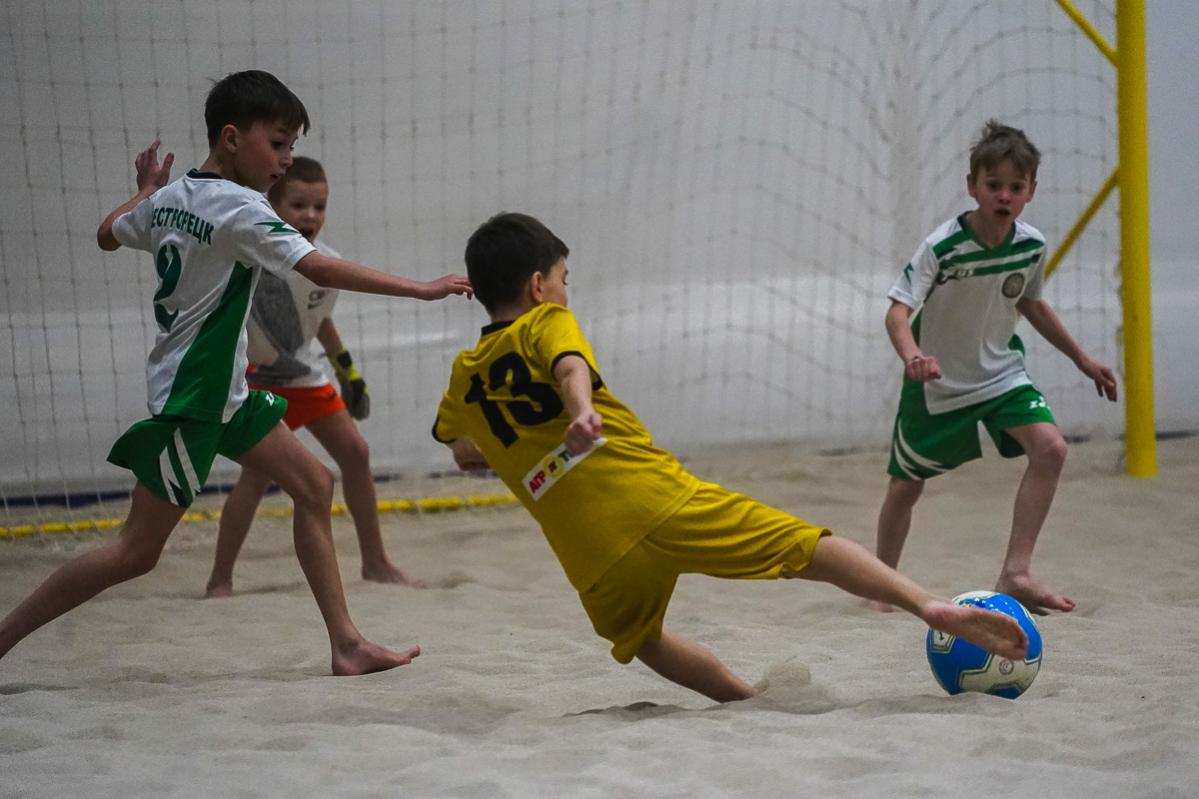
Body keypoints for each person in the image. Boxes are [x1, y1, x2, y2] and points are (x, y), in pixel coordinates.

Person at [431, 212, 1028, 703]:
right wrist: (581, 411)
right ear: (539, 286)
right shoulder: (548, 321)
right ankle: (926, 604)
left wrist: (516, 449)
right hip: (655, 499)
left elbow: (463, 453)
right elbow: (569, 368)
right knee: (805, 546)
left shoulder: (463, 377)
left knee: (646, 641)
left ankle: (742, 699)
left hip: (589, 551)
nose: (566, 291)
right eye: (565, 279)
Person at [0, 70, 471, 675]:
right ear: (231, 138)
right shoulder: (242, 208)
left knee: (314, 484)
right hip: (193, 399)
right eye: (277, 143)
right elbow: (319, 269)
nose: (286, 159)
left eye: (291, 146)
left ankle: (347, 645)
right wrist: (422, 288)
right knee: (135, 552)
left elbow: (105, 235)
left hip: (227, 392)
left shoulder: (170, 199)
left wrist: (146, 190)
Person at [872, 119, 1117, 615]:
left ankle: (1016, 573)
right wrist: (913, 356)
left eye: (1016, 187)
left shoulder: (1031, 245)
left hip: (1001, 373)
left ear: (1031, 192)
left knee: (1051, 449)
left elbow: (1030, 303)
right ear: (972, 186)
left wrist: (1082, 358)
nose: (1004, 196)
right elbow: (897, 313)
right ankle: (881, 587)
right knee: (906, 486)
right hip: (938, 381)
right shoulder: (942, 247)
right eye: (994, 185)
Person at [204, 156, 421, 597]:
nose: (311, 215)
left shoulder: (327, 265)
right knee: (255, 476)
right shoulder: (248, 257)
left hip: (303, 376)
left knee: (356, 453)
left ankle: (375, 562)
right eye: (299, 205)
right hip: (255, 381)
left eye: (319, 206)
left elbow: (317, 321)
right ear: (272, 205)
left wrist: (348, 371)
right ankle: (220, 578)